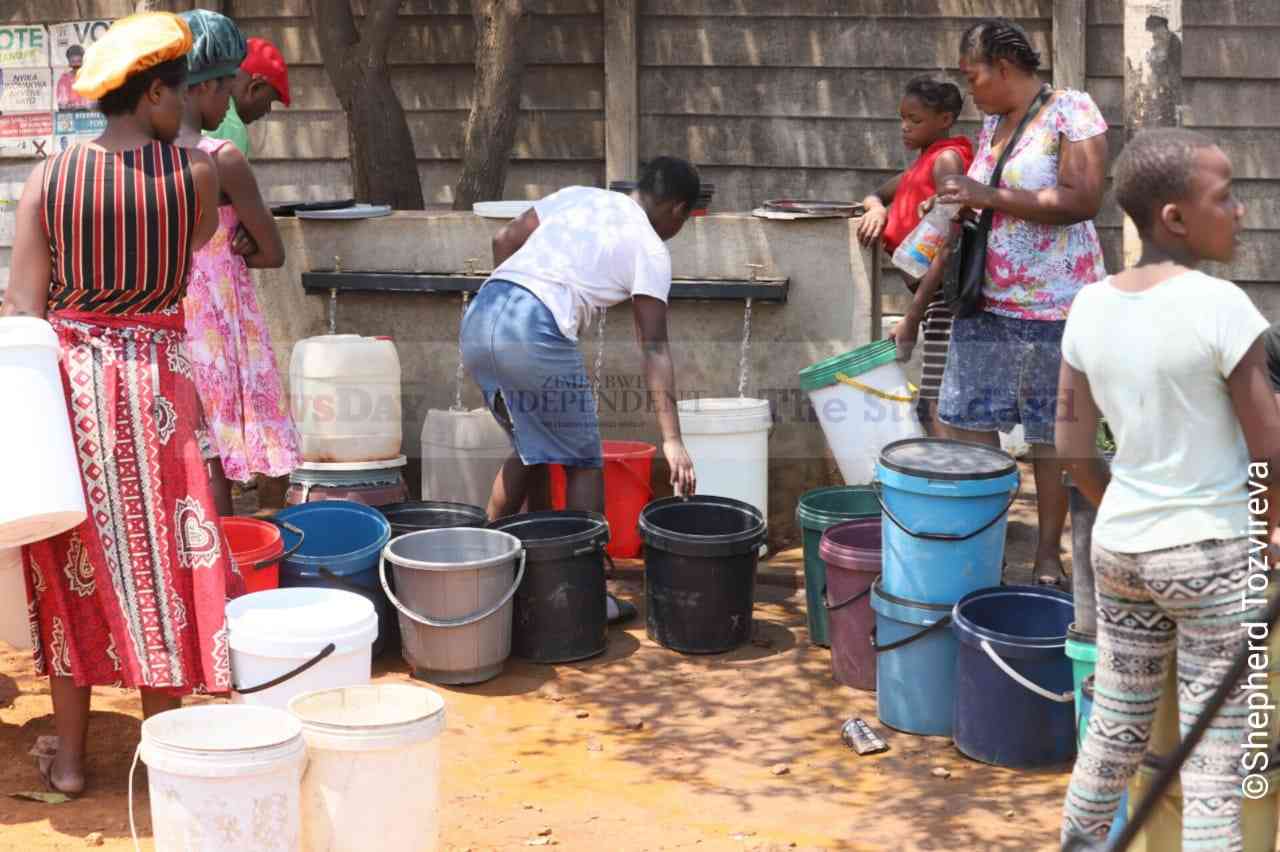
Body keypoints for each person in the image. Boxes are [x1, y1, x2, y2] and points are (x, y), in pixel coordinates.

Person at [1, 12, 241, 796]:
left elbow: (24, 306)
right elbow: (198, 245)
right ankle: (160, 760)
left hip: (75, 392)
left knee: (69, 571)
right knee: (160, 568)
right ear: (153, 94)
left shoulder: (49, 176)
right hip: (159, 391)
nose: (181, 107)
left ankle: (69, 764)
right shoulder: (195, 177)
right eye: (174, 92)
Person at [1056, 129, 1280, 850]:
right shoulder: (1223, 308)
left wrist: (1124, 502)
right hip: (1215, 555)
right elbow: (1269, 450)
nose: (1241, 212)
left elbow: (1070, 449)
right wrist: (1271, 527)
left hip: (1120, 550)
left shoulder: (1088, 305)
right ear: (1174, 218)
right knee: (1217, 763)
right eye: (1226, 197)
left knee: (1113, 736)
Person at [460, 157, 700, 623]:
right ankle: (583, 601)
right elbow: (654, 349)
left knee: (531, 450)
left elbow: (502, 240)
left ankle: (485, 583)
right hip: (532, 327)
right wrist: (672, 440)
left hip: (483, 312)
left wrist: (519, 300)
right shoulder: (650, 248)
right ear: (677, 209)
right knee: (584, 461)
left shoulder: (581, 198)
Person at [934, 18, 1108, 587]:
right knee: (969, 422)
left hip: (1054, 307)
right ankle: (985, 545)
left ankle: (1046, 555)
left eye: (973, 75)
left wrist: (989, 194)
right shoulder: (991, 123)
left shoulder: (1071, 109)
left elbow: (1084, 198)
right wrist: (958, 204)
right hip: (987, 300)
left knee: (1050, 434)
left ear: (1004, 68)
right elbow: (993, 199)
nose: (970, 89)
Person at [176, 10, 296, 517]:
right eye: (225, 87)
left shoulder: (142, 156)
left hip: (169, 312)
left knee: (194, 446)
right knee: (222, 452)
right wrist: (241, 239)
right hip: (221, 316)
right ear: (208, 87)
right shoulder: (222, 156)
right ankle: (233, 560)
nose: (228, 102)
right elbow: (272, 252)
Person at [857, 76, 974, 435]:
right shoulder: (921, 164)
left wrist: (912, 315)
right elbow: (875, 193)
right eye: (902, 118)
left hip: (943, 295)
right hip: (932, 297)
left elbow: (949, 239)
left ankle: (951, 480)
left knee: (940, 402)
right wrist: (876, 209)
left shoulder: (946, 162)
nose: (905, 127)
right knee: (937, 398)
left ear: (946, 119)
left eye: (916, 120)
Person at [206, 36, 291, 157]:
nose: (268, 110)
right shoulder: (231, 128)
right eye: (269, 101)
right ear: (254, 88)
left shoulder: (199, 106)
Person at [55, 45, 92, 110]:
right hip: (71, 115)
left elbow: (94, 101)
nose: (76, 65)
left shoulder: (90, 77)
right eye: (73, 62)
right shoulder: (64, 79)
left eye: (79, 61)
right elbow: (62, 103)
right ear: (69, 62)